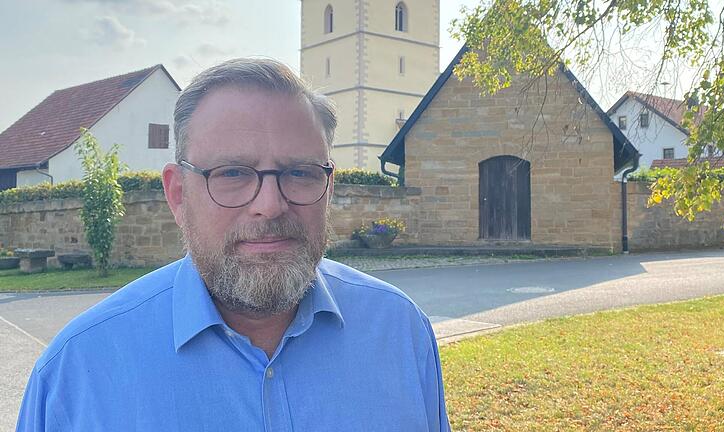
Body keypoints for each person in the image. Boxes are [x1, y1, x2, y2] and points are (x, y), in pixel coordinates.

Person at [16, 58, 450, 431]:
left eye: (299, 173)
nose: (270, 205)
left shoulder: (399, 331)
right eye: (231, 173)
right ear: (178, 195)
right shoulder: (77, 372)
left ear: (328, 186)